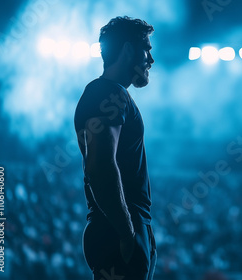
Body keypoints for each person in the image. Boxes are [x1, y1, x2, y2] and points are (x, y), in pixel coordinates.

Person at [74, 16, 156, 280]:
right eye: (147, 50)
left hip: (118, 225)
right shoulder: (108, 93)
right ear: (129, 50)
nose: (151, 60)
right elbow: (100, 164)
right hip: (118, 228)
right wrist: (126, 231)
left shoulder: (107, 92)